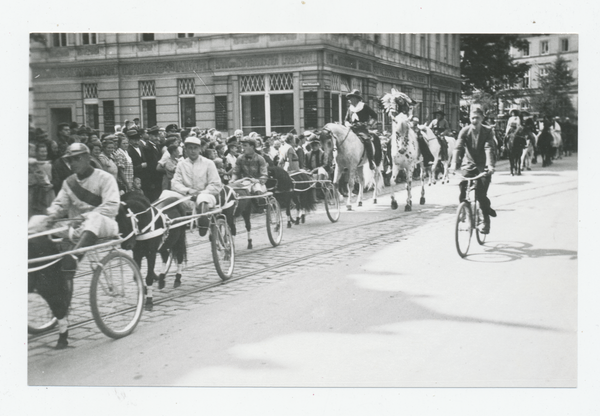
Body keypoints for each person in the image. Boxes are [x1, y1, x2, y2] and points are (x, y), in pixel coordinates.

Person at [28, 143, 120, 348]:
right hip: (76, 228)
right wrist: (50, 217)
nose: (73, 163)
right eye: (70, 160)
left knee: (94, 219)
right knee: (34, 222)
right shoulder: (69, 183)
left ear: (88, 158)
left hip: (102, 224)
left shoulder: (105, 178)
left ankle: (72, 258)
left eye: (77, 158)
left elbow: (112, 206)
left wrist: (86, 216)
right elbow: (60, 205)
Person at [451, 107, 497, 234]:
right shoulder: (465, 131)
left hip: (484, 166)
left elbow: (489, 148)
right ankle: (464, 212)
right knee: (462, 187)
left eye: (477, 118)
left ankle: (485, 221)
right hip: (469, 165)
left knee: (481, 195)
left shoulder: (488, 131)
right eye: (472, 118)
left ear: (482, 118)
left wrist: (490, 166)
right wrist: (454, 163)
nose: (474, 120)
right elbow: (458, 147)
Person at [169, 136, 223, 237]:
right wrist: (188, 190)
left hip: (206, 196)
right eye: (190, 148)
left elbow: (215, 184)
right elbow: (175, 183)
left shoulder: (209, 163)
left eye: (195, 148)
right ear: (185, 150)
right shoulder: (181, 164)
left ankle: (203, 224)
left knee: (202, 199)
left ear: (200, 149)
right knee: (167, 196)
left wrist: (201, 193)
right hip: (187, 197)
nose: (192, 151)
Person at [344, 89, 378, 170]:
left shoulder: (364, 106)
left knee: (366, 140)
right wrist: (348, 124)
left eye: (351, 98)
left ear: (356, 99)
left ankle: (371, 161)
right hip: (351, 129)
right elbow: (346, 120)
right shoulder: (350, 108)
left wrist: (369, 124)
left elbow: (374, 116)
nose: (350, 100)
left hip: (362, 129)